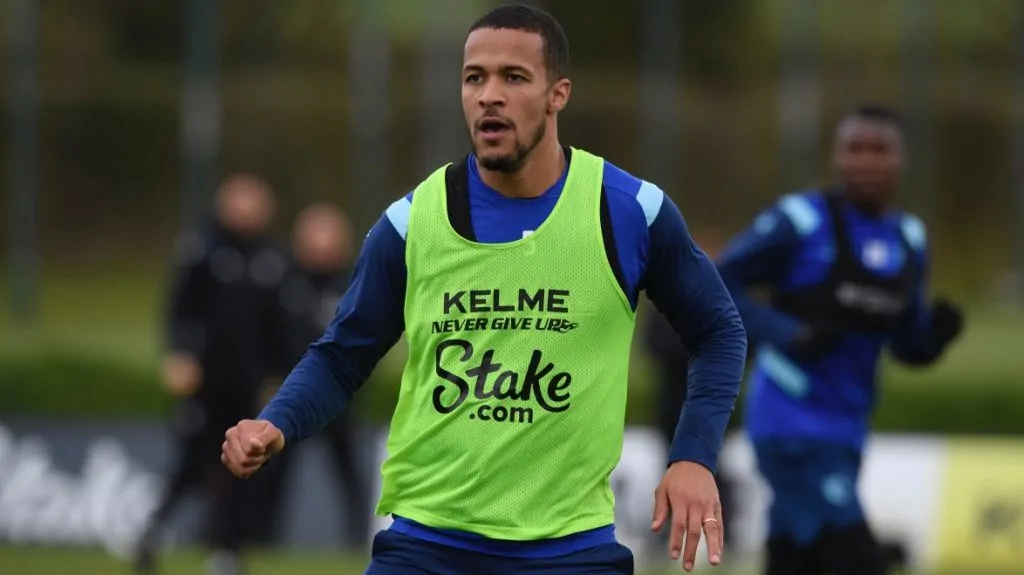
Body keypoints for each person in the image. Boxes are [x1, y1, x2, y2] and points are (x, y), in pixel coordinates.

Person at [221, 5, 747, 574]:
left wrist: (694, 456)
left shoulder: (628, 212)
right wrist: (276, 422)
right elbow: (343, 355)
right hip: (426, 548)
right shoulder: (410, 223)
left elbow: (719, 331)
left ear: (558, 94)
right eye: (475, 78)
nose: (489, 95)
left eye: (513, 77)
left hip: (571, 552)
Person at [715, 104, 964, 575]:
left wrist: (935, 338)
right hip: (790, 422)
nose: (866, 160)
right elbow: (718, 282)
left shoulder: (909, 238)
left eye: (880, 149)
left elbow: (905, 344)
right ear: (835, 157)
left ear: (902, 160)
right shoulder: (802, 221)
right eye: (854, 148)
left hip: (847, 426)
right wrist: (789, 333)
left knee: (796, 556)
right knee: (857, 558)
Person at [135, 174, 289, 575]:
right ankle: (151, 534)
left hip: (248, 383)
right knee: (192, 465)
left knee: (242, 466)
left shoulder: (272, 259)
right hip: (205, 381)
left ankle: (227, 551)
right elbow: (179, 308)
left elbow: (278, 325)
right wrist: (180, 355)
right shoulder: (201, 249)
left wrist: (277, 374)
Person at [248, 202, 371, 551]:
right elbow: (262, 336)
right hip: (287, 394)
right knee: (274, 473)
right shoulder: (281, 281)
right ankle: (264, 541)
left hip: (338, 396)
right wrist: (268, 380)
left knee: (349, 473)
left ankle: (359, 543)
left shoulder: (355, 282)